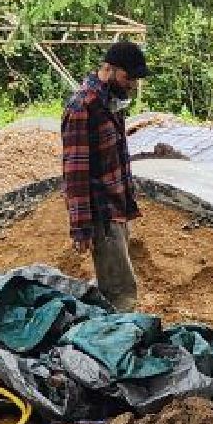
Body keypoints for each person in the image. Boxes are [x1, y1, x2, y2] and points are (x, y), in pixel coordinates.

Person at [61, 40, 149, 312]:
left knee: (117, 288)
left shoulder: (110, 103)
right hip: (102, 214)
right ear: (108, 69)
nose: (131, 84)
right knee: (120, 296)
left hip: (116, 208)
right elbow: (75, 174)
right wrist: (81, 227)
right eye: (127, 77)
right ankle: (115, 345)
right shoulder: (82, 107)